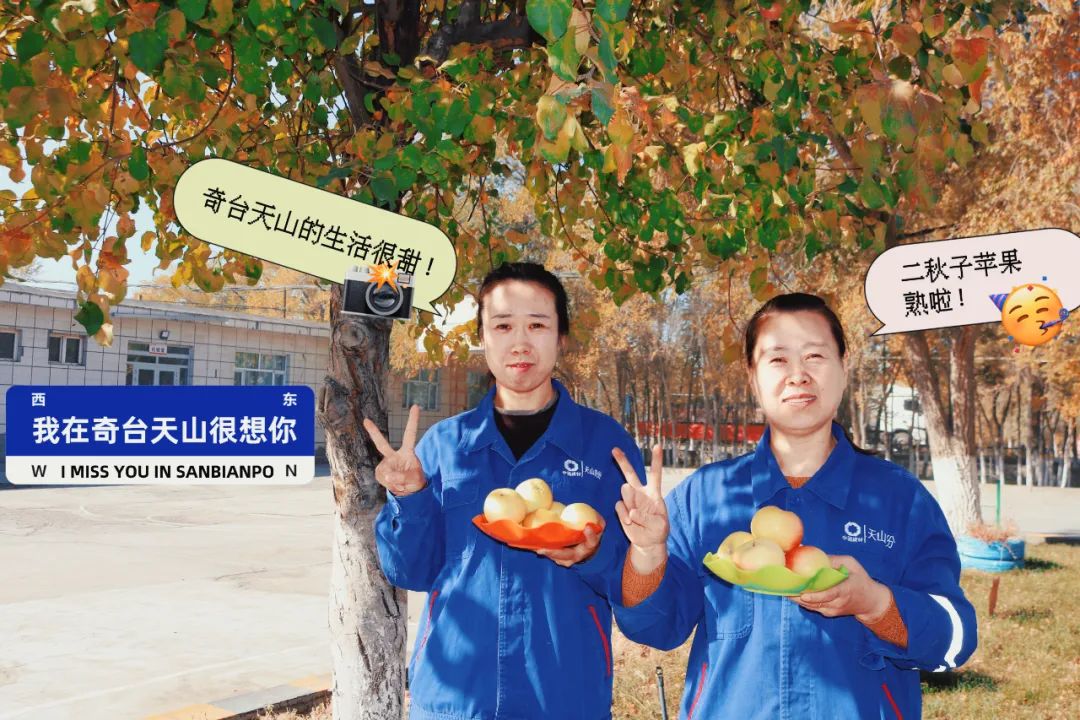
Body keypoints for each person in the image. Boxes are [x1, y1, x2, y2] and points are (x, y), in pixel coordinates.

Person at [610, 292, 977, 720]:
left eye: (815, 356)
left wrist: (875, 604)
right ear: (753, 378)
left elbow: (955, 640)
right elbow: (652, 626)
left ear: (844, 368)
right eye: (778, 359)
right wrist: (647, 553)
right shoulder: (705, 496)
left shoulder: (901, 499)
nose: (798, 375)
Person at [365, 261, 646, 720]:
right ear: (482, 337)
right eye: (502, 326)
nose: (520, 343)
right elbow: (409, 571)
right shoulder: (444, 445)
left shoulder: (605, 447)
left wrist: (594, 556)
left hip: (564, 698)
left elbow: (634, 577)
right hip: (455, 699)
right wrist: (410, 496)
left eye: (537, 325)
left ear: (561, 337)